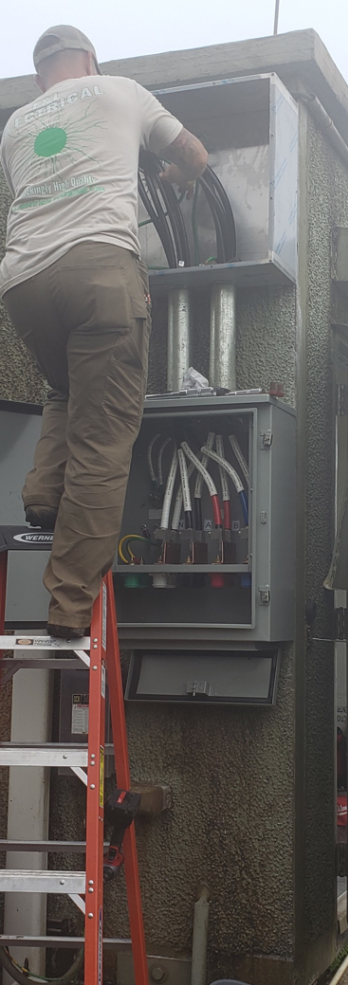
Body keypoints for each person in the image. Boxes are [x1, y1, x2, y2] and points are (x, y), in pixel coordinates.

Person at [0, 25, 208, 638]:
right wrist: (173, 177)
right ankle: (67, 604)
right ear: (90, 59)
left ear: (42, 76)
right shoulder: (121, 89)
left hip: (24, 282)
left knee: (68, 387)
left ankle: (41, 493)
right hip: (100, 267)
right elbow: (194, 155)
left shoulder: (15, 125)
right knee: (104, 440)